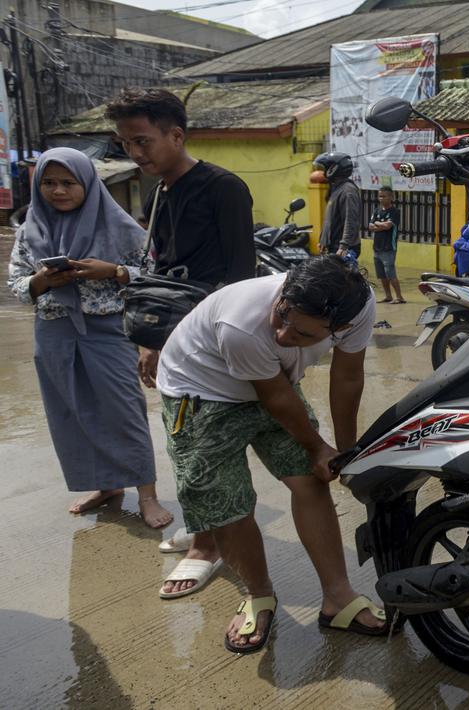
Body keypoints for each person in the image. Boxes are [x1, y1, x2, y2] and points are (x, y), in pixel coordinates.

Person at [156, 256, 385, 653]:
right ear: (284, 293)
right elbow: (276, 397)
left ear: (340, 328)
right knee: (227, 504)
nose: (281, 333)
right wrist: (317, 446)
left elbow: (347, 376)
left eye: (301, 333)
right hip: (199, 391)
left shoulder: (358, 308)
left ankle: (338, 598)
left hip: (272, 378)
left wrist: (345, 454)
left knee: (311, 481)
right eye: (282, 316)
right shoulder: (242, 323)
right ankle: (259, 594)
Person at [105, 87, 256, 597]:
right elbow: (161, 279)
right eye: (127, 144)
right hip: (174, 340)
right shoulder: (160, 193)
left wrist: (193, 342)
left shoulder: (222, 188)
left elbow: (240, 278)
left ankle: (208, 548)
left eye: (143, 141)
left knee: (205, 447)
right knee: (184, 442)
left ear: (177, 134)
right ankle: (207, 531)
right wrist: (153, 341)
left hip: (212, 342)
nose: (135, 153)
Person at [6, 148, 173, 530]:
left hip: (107, 330)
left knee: (123, 412)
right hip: (53, 331)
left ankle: (147, 494)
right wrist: (42, 281)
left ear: (88, 184)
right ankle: (106, 486)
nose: (58, 191)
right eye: (49, 182)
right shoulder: (31, 228)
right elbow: (15, 283)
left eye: (68, 182)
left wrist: (112, 270)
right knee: (73, 412)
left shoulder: (119, 225)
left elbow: (152, 275)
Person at [315, 152, 362, 265]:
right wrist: (323, 240)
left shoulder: (347, 191)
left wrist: (344, 247)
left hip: (342, 249)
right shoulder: (337, 189)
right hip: (334, 247)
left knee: (344, 281)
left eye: (326, 167)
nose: (324, 171)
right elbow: (330, 220)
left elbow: (350, 221)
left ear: (334, 168)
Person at [368, 185, 404, 303]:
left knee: (390, 273)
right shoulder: (376, 211)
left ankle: (399, 297)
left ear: (391, 197)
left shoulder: (395, 212)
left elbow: (388, 226)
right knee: (381, 275)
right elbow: (370, 227)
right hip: (377, 248)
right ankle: (388, 296)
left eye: (384, 196)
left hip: (388, 248)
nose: (381, 199)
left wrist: (378, 224)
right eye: (380, 196)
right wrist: (381, 225)